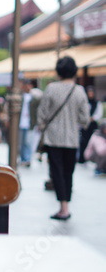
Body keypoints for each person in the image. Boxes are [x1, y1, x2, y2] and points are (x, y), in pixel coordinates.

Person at [37, 56, 89, 221]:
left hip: (53, 139)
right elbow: (85, 119)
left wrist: (42, 125)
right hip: (72, 139)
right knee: (68, 173)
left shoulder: (51, 88)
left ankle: (63, 207)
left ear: (58, 71)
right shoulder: (79, 91)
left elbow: (42, 115)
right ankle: (66, 206)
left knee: (57, 173)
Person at [78, 86, 103, 164]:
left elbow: (99, 114)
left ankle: (91, 159)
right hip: (85, 125)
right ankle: (82, 158)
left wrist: (92, 118)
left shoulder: (97, 103)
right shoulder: (84, 103)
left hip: (92, 125)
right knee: (83, 141)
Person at [19, 79, 34, 167]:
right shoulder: (21, 96)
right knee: (21, 142)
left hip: (29, 123)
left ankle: (27, 159)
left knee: (28, 142)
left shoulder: (33, 97)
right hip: (21, 122)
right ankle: (22, 158)